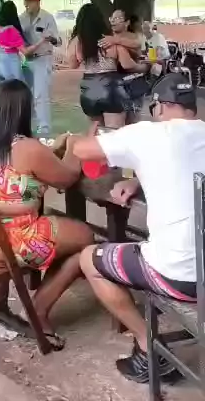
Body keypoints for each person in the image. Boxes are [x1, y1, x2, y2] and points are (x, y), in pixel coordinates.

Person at [73, 73, 205, 384]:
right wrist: (138, 180)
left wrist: (89, 126)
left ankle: (147, 347)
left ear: (159, 107)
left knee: (88, 259)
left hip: (179, 277)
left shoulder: (147, 134)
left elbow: (82, 150)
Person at [0, 80, 93, 347]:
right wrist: (74, 145)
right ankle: (38, 310)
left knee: (23, 223)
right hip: (2, 244)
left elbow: (20, 167)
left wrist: (51, 149)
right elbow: (67, 178)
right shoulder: (26, 148)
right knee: (84, 237)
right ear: (25, 110)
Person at [67, 4, 142, 128]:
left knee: (97, 133)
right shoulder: (109, 40)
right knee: (114, 134)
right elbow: (128, 63)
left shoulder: (77, 41)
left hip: (89, 88)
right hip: (111, 87)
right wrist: (144, 67)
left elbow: (72, 64)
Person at [19, 0, 61, 137]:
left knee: (40, 95)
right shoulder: (21, 18)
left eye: (29, 1)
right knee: (26, 95)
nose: (26, 4)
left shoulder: (47, 18)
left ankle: (44, 129)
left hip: (43, 58)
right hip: (26, 60)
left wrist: (50, 38)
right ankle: (27, 126)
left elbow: (58, 41)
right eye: (25, 1)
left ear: (37, 2)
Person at [0, 0, 46, 84]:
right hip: (10, 67)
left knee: (4, 90)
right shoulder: (11, 31)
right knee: (21, 89)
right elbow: (26, 52)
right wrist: (41, 41)